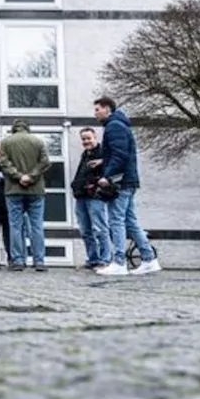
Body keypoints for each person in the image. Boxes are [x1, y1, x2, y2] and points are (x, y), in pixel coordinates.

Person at [94, 97, 162, 276]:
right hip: (128, 181)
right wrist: (103, 162)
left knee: (116, 221)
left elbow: (119, 155)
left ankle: (119, 262)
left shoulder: (113, 126)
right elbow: (122, 153)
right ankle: (149, 259)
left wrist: (107, 176)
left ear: (107, 109)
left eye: (97, 109)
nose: (95, 113)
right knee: (130, 221)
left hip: (120, 182)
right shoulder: (121, 125)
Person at [0, 120, 50, 272]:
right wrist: (31, 176)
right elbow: (45, 162)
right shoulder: (38, 141)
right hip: (36, 189)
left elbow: (4, 163)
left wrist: (18, 176)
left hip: (13, 189)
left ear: (13, 128)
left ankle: (18, 260)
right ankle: (39, 261)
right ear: (28, 128)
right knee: (37, 226)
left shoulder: (6, 143)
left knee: (15, 226)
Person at [71, 128, 111, 271]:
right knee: (85, 231)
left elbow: (113, 165)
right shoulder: (85, 155)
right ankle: (93, 259)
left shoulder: (102, 154)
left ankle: (105, 259)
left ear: (95, 138)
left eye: (88, 138)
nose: (86, 141)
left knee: (100, 228)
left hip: (95, 196)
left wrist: (102, 163)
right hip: (81, 196)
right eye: (83, 139)